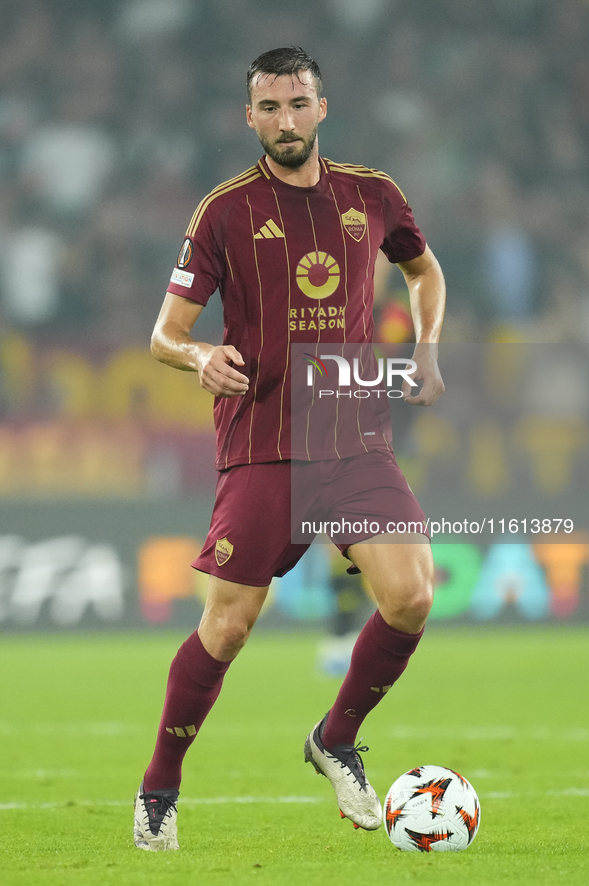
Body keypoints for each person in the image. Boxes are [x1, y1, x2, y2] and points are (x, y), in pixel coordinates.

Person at [133, 46, 445, 852]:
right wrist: (200, 356)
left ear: (321, 107)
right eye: (268, 108)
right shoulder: (223, 211)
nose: (284, 120)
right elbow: (165, 334)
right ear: (250, 118)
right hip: (264, 439)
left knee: (411, 595)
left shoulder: (371, 195)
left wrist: (429, 344)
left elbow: (422, 267)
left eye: (297, 104)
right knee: (230, 626)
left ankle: (335, 738)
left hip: (350, 433)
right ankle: (159, 788)